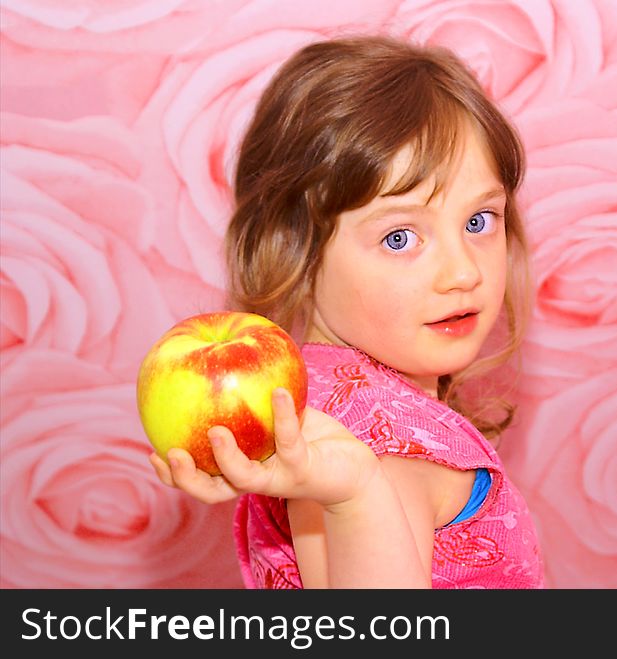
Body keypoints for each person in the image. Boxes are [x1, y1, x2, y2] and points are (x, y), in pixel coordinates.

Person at [149, 35, 544, 589]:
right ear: (297, 250)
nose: (464, 272)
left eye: (479, 222)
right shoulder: (380, 448)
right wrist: (358, 494)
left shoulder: (327, 395)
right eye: (401, 237)